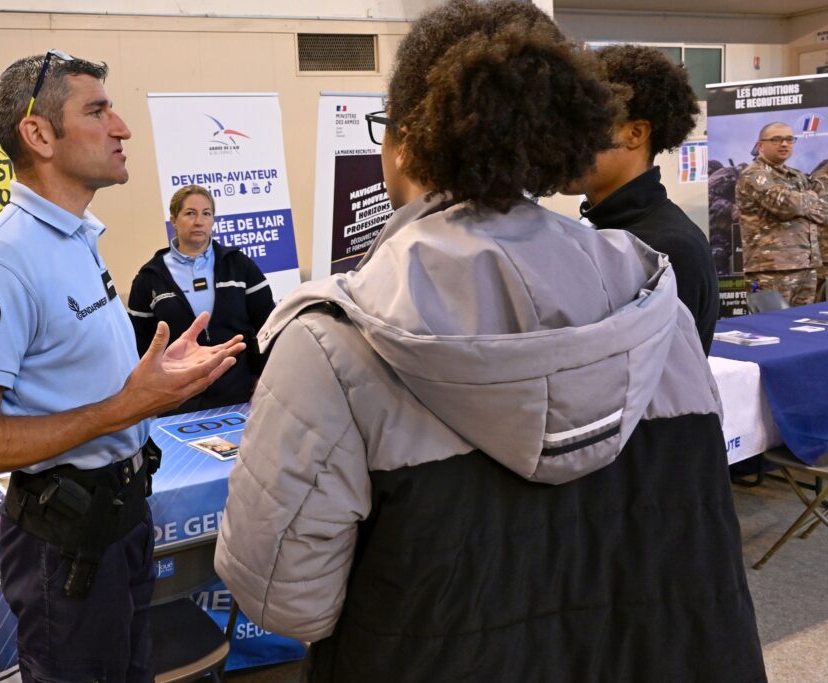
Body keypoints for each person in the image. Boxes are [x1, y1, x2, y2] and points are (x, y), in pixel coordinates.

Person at [215, 2, 765, 680]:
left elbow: (286, 603)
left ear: (405, 140)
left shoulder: (333, 342)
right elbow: (691, 529)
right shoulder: (656, 300)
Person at [0, 51, 243, 682]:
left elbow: (71, 376)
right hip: (67, 542)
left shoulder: (77, 237)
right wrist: (126, 407)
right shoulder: (1, 262)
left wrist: (150, 378)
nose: (121, 128)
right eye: (98, 111)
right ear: (39, 134)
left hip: (123, 515)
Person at [565, 45, 719, 354]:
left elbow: (663, 370)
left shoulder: (665, 247)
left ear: (635, 133)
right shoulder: (598, 227)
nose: (560, 144)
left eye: (583, 126)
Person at [128, 184, 274, 411]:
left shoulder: (239, 265)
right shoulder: (150, 277)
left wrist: (263, 377)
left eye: (206, 213)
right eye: (190, 213)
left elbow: (269, 327)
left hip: (240, 395)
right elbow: (138, 345)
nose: (199, 221)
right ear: (173, 220)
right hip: (177, 403)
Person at [736, 121, 828, 306]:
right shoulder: (754, 175)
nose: (784, 144)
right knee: (774, 322)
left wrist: (801, 203)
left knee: (804, 322)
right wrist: (808, 199)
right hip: (770, 269)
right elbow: (787, 206)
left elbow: (824, 211)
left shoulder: (798, 176)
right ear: (760, 145)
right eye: (776, 139)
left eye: (789, 139)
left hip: (807, 266)